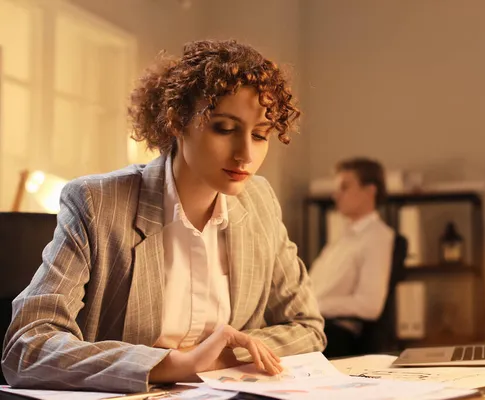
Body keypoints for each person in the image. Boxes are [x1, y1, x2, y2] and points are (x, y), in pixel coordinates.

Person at [1, 39, 326, 393]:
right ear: (176, 122)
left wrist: (218, 357)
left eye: (261, 134)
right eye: (224, 128)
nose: (246, 154)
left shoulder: (260, 201)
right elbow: (26, 348)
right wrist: (176, 365)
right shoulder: (98, 202)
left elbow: (307, 327)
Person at [308, 158, 395, 357]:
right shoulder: (342, 236)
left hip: (333, 332)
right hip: (314, 322)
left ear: (370, 191)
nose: (335, 195)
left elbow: (369, 305)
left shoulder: (378, 237)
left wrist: (316, 306)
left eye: (344, 187)